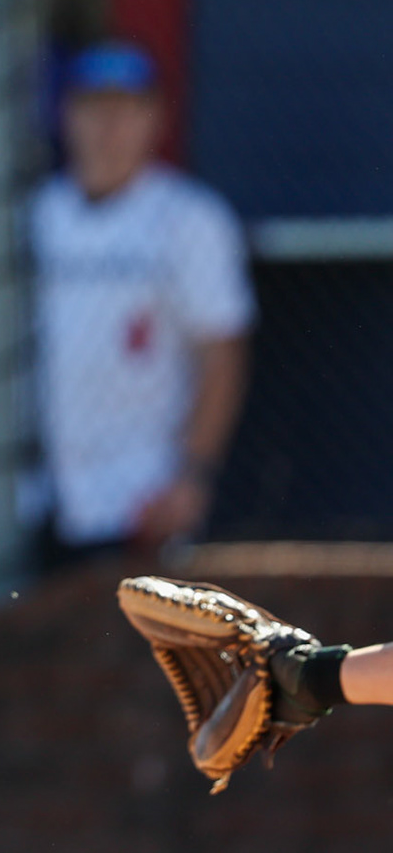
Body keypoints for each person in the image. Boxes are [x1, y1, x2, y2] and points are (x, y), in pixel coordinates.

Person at [31, 41, 255, 567]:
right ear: (67, 116)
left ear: (154, 119)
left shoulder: (189, 220)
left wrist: (192, 478)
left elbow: (222, 355)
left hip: (143, 494)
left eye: (127, 109)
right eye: (94, 108)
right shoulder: (40, 214)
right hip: (46, 496)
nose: (110, 127)